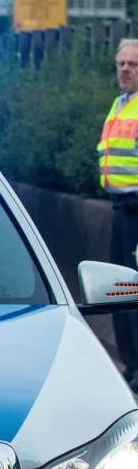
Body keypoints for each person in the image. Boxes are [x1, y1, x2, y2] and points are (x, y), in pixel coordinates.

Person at [98, 38, 138, 391]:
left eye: (133, 64)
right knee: (120, 289)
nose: (125, 69)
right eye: (121, 64)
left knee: (134, 288)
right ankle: (130, 364)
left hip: (137, 209)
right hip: (120, 207)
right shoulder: (120, 104)